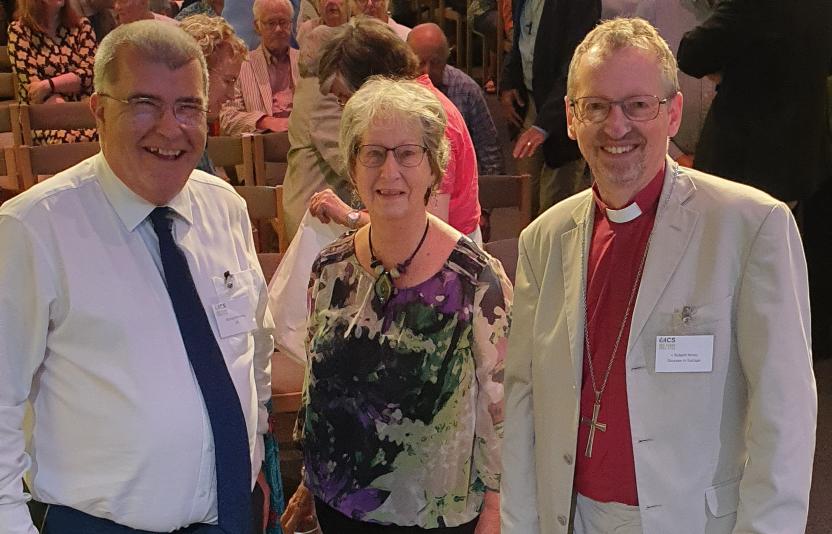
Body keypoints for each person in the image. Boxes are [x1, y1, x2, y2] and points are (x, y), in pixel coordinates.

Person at [501, 17, 816, 534]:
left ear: (673, 114)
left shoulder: (749, 226)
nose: (616, 126)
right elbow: (523, 399)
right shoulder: (544, 237)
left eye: (637, 105)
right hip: (569, 515)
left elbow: (785, 417)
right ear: (571, 117)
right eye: (596, 106)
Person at [0, 20, 275, 533]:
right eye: (144, 104)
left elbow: (253, 346)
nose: (170, 128)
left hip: (229, 514)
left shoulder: (226, 209)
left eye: (188, 106)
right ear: (99, 112)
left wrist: (254, 453)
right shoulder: (33, 230)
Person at [289, 76, 510, 534]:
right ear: (352, 167)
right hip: (339, 506)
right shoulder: (329, 269)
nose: (389, 172)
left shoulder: (477, 280)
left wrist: (495, 513)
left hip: (435, 516)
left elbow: (502, 415)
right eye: (373, 153)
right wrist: (310, 483)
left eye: (407, 154)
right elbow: (318, 389)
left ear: (434, 166)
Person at [313, 17, 482, 243]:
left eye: (345, 97)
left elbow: (430, 226)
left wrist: (349, 216)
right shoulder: (403, 112)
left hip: (448, 258)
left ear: (370, 85)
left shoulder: (427, 119)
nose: (346, 110)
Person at [677, 0, 832, 205]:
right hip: (801, 160)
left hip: (746, 164)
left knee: (733, 233)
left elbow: (691, 55)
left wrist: (736, 68)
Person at [499, 0, 598, 217]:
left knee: (555, 212)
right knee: (526, 200)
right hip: (530, 101)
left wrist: (543, 125)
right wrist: (507, 83)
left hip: (565, 114)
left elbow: (576, 68)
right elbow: (519, 42)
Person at [408, 22, 505, 175]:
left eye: (435, 63)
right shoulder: (394, 90)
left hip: (456, 184)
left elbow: (490, 153)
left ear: (446, 59)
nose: (427, 71)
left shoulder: (467, 89)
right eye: (420, 63)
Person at [281, 24, 349, 240]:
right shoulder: (323, 95)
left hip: (311, 206)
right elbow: (344, 162)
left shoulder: (308, 86)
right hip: (317, 217)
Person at [7, 0, 97, 144]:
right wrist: (65, 114)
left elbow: (90, 73)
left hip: (83, 113)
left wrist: (49, 85)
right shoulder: (19, 31)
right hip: (43, 118)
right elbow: (33, 88)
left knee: (109, 136)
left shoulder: (82, 26)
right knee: (70, 138)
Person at [179, 14, 247, 173]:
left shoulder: (196, 128)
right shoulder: (179, 135)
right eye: (228, 81)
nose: (231, 95)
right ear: (200, 74)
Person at [220, 0, 299, 135]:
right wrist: (265, 122)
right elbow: (227, 116)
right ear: (257, 27)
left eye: (283, 22)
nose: (278, 29)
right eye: (271, 23)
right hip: (262, 148)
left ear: (291, 25)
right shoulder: (241, 66)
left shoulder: (306, 62)